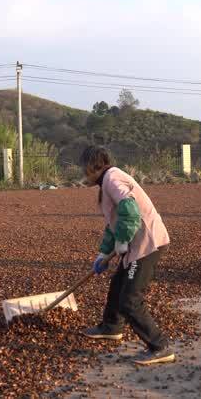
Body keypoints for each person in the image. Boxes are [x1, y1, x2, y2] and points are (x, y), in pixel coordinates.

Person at [78, 145, 175, 366]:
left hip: (147, 245)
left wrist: (122, 241)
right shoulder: (107, 181)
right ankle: (111, 327)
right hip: (135, 243)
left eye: (84, 169)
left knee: (130, 300)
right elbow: (114, 223)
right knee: (118, 284)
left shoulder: (112, 179)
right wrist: (104, 252)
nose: (83, 175)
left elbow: (130, 210)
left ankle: (160, 346)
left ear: (94, 166)